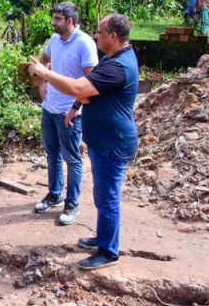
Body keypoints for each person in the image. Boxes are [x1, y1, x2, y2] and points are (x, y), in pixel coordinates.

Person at [29, 14, 138, 270]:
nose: (96, 35)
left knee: (108, 197)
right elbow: (86, 92)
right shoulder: (112, 60)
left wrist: (46, 73)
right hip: (105, 141)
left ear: (113, 36)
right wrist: (78, 102)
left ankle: (108, 252)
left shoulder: (118, 66)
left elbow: (79, 87)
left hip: (113, 142)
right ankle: (102, 238)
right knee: (102, 195)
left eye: (100, 32)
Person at [32, 2, 98, 226]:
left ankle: (72, 203)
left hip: (69, 113)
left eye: (58, 19)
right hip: (49, 109)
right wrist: (42, 80)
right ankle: (54, 194)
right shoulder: (54, 40)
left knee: (72, 159)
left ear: (70, 21)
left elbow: (90, 83)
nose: (53, 23)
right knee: (52, 154)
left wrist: (74, 110)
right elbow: (44, 60)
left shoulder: (85, 44)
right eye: (53, 18)